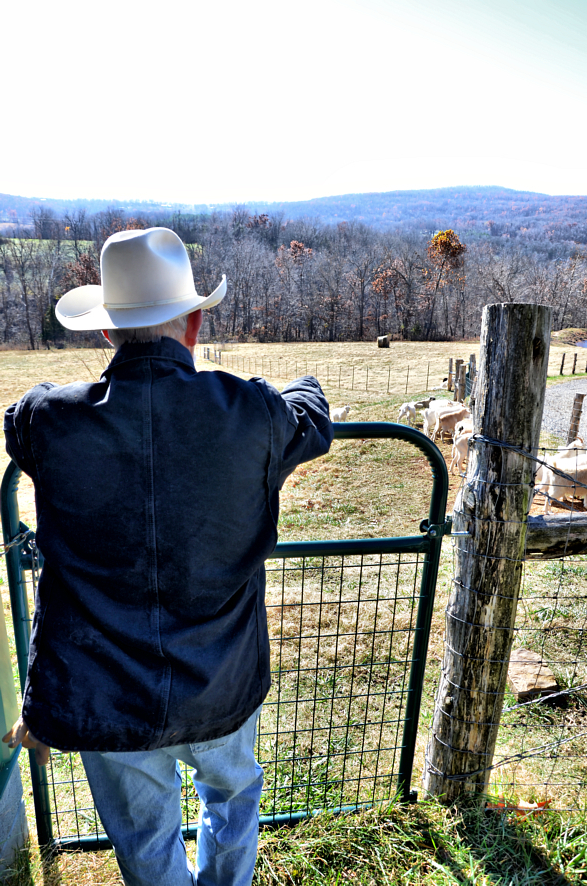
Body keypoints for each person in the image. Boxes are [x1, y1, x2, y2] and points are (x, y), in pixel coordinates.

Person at [2, 227, 333, 886]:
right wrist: (302, 382)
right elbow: (310, 416)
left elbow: (17, 418)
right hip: (221, 678)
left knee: (143, 834)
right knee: (233, 802)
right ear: (195, 321)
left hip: (105, 691)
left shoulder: (49, 420)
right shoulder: (253, 411)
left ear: (106, 332)